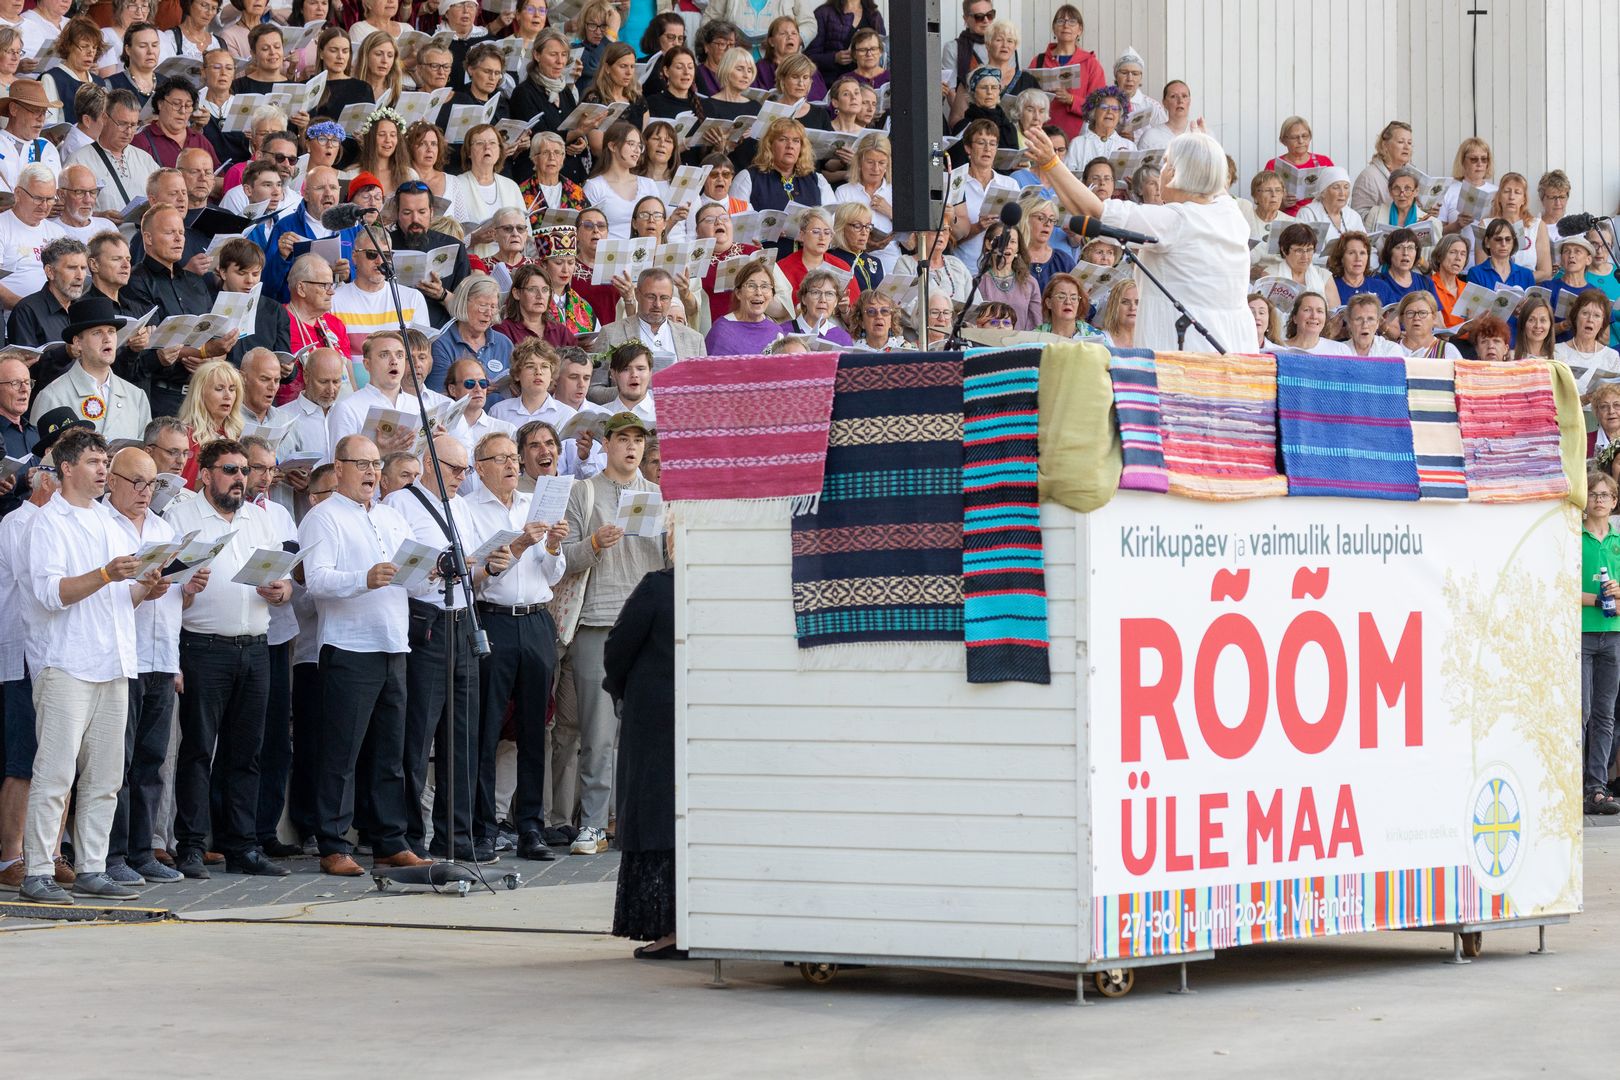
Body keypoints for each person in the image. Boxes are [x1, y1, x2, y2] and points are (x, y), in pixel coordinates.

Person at [13, 424, 172, 904]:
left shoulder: (108, 522)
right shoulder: (47, 522)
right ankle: (38, 870)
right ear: (66, 469)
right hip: (66, 661)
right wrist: (107, 574)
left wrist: (149, 587)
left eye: (106, 463)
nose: (103, 470)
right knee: (56, 772)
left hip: (115, 659)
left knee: (106, 776)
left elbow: (123, 598)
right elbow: (49, 593)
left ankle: (93, 866)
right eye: (94, 462)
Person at [298, 432, 431, 876]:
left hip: (393, 642)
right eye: (362, 464)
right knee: (342, 753)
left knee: (390, 753)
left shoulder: (393, 517)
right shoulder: (324, 517)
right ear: (339, 469)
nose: (372, 472)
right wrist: (365, 578)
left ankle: (389, 840)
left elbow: (411, 579)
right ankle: (333, 843)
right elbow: (316, 580)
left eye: (376, 464)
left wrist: (433, 569)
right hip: (350, 646)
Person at [161, 438, 290, 878]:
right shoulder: (180, 516)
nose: (241, 479)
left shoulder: (259, 518)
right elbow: (161, 588)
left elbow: (284, 583)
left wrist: (280, 590)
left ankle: (243, 846)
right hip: (203, 647)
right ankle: (192, 846)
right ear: (207, 473)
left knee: (246, 752)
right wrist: (185, 588)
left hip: (255, 647)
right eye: (231, 470)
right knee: (198, 751)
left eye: (244, 470)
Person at [1029, 126, 1251, 353]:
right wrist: (1201, 146)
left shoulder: (1175, 221)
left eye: (1165, 163)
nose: (1161, 170)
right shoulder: (1231, 212)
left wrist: (1051, 163)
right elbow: (1215, 181)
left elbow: (1094, 212)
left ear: (1176, 173)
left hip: (1188, 354)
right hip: (1236, 350)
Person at [561, 411, 666, 856]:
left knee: (642, 731)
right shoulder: (584, 492)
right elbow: (562, 559)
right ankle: (592, 824)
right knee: (598, 733)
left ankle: (634, 823)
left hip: (648, 623)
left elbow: (670, 559)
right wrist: (594, 544)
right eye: (622, 438)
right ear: (606, 443)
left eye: (637, 440)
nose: (631, 447)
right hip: (599, 619)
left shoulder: (659, 494)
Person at [381, 435, 488, 861]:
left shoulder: (460, 505)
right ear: (428, 463)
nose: (461, 478)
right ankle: (409, 837)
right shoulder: (401, 504)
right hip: (426, 621)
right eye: (454, 469)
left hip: (463, 618)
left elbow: (472, 563)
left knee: (462, 735)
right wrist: (433, 569)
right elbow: (396, 570)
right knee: (418, 734)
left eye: (466, 470)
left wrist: (489, 561)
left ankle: (456, 838)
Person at [459, 430, 564, 861]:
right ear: (479, 466)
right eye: (498, 458)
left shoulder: (531, 504)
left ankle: (530, 829)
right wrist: (519, 544)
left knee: (533, 732)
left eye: (511, 458)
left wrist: (553, 546)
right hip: (494, 621)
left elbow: (552, 576)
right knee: (486, 730)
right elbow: (476, 572)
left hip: (537, 620)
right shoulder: (466, 510)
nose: (509, 465)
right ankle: (484, 828)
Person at [605, 561, 676, 955]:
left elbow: (618, 648)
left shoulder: (658, 587)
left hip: (655, 718)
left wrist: (620, 688)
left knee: (656, 817)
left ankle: (669, 929)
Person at [30, 296, 153, 443]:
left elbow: (145, 454)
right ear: (77, 342)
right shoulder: (52, 396)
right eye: (97, 332)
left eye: (112, 331)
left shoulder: (136, 396)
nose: (107, 338)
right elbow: (41, 458)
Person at [1581, 468, 1620, 815]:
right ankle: (1571, 783)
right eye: (1592, 494)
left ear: (1614, 501)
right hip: (1581, 632)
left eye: (1604, 495)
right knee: (1581, 712)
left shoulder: (1619, 542)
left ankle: (1597, 787)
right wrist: (1596, 599)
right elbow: (1558, 584)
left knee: (1605, 715)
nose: (1598, 500)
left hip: (1614, 635)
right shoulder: (1573, 537)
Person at [331, 229, 432, 355]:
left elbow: (421, 354)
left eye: (386, 255)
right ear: (354, 257)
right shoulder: (334, 299)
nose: (380, 261)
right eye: (371, 254)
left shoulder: (413, 298)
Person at [325, 332, 422, 461]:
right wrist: (382, 452)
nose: (394, 361)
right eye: (384, 355)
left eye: (399, 355)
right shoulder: (347, 409)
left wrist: (438, 442)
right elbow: (338, 466)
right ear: (367, 364)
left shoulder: (420, 405)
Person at [392, 179, 473, 328]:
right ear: (397, 213)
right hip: (393, 330)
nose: (415, 219)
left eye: (422, 212)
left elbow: (468, 306)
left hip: (440, 333)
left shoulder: (453, 246)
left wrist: (442, 294)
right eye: (407, 212)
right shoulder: (385, 245)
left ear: (432, 212)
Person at [948, 119, 1018, 271]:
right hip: (966, 270)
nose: (987, 149)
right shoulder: (956, 182)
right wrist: (978, 227)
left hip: (1000, 271)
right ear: (968, 148)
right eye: (981, 142)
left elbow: (1017, 232)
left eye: (992, 143)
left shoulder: (1010, 184)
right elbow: (948, 240)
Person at [596, 268, 707, 364]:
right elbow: (595, 386)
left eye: (664, 298)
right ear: (637, 295)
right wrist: (627, 389)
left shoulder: (695, 340)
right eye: (651, 297)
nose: (657, 304)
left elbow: (703, 387)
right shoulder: (610, 334)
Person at [1026, 5, 1102, 139]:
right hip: (1043, 135)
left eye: (1072, 21)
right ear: (1054, 28)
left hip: (1078, 138)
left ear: (1080, 30)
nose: (1066, 25)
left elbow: (1099, 106)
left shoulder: (1090, 63)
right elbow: (1026, 99)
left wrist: (1071, 100)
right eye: (1061, 21)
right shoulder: (1038, 61)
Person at [429, 275, 512, 392]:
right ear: (463, 304)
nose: (489, 313)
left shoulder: (504, 343)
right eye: (483, 305)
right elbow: (437, 397)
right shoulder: (441, 344)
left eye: (493, 307)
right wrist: (477, 390)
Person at [705, 258, 788, 355]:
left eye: (764, 286)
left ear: (772, 294)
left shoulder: (776, 331)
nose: (758, 292)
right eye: (751, 286)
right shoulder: (722, 331)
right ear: (738, 293)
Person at [1484, 172, 1551, 280]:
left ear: (1524, 199)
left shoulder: (1537, 226)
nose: (1511, 197)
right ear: (1499, 197)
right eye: (1506, 191)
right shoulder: (1486, 225)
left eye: (1517, 192)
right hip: (1495, 288)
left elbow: (1545, 272)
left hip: (1528, 288)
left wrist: (1518, 282)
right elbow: (1480, 267)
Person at [0, 78, 63, 194]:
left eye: (44, 112)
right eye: (35, 111)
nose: (41, 118)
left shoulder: (47, 148)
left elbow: (54, 193)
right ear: (14, 109)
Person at [1265, 115, 1334, 216]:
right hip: (1287, 218)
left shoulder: (1324, 162)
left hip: (1319, 217)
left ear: (1310, 137)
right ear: (1283, 140)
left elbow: (1336, 193)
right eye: (1294, 137)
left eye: (1305, 136)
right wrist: (1282, 204)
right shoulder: (1274, 165)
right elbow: (1264, 200)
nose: (1301, 141)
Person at [1350, 120, 1414, 218]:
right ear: (1385, 145)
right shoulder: (1369, 176)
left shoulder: (1413, 174)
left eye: (1409, 143)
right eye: (1401, 142)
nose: (1406, 147)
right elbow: (1358, 217)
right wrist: (1394, 213)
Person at [1556, 290, 1620, 386]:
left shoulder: (1612, 357)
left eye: (1597, 316)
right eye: (1585, 313)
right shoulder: (1556, 351)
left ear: (1603, 323)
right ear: (1575, 317)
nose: (1590, 319)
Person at [1294, 168, 1365, 248]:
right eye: (1336, 187)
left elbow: (1367, 247)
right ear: (1323, 192)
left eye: (1346, 187)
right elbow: (1301, 250)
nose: (1342, 193)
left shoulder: (1353, 216)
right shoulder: (1307, 214)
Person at [1369, 227, 1436, 308]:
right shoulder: (1377, 283)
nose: (1405, 253)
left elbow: (1437, 317)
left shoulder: (1426, 282)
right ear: (1389, 252)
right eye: (1399, 247)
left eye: (1411, 247)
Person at [1439, 136, 1495, 233]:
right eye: (1474, 159)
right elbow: (1437, 233)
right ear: (1463, 161)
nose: (1479, 163)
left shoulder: (1497, 192)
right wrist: (1457, 225)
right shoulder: (1448, 191)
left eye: (1484, 159)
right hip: (1456, 247)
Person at [1467, 217, 1537, 292]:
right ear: (1487, 242)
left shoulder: (1527, 275)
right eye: (1498, 239)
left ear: (1513, 243)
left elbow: (1532, 303)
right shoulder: (1476, 273)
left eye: (1508, 239)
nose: (1503, 244)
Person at [1394, 291, 1458, 358]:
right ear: (1401, 318)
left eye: (1423, 313)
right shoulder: (1391, 350)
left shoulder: (1448, 351)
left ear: (1433, 317)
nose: (1416, 318)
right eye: (1410, 313)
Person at [1339, 291, 1403, 357]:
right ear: (1349, 323)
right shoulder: (1338, 351)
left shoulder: (1391, 350)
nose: (1365, 325)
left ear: (1377, 323)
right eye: (1359, 319)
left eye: (1370, 319)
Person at [1037, 273, 1097, 340]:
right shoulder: (1034, 338)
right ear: (1049, 303)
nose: (1068, 302)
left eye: (1073, 298)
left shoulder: (1095, 337)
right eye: (1061, 297)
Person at [1512, 294, 1557, 361]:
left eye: (1543, 320)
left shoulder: (1560, 358)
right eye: (1531, 320)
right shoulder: (1511, 357)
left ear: (1550, 324)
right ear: (1523, 323)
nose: (1538, 326)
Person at [1097, 279, 1140, 348]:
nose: (1132, 307)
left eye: (1137, 302)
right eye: (1125, 302)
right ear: (1114, 306)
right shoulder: (1099, 341)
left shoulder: (1152, 340)